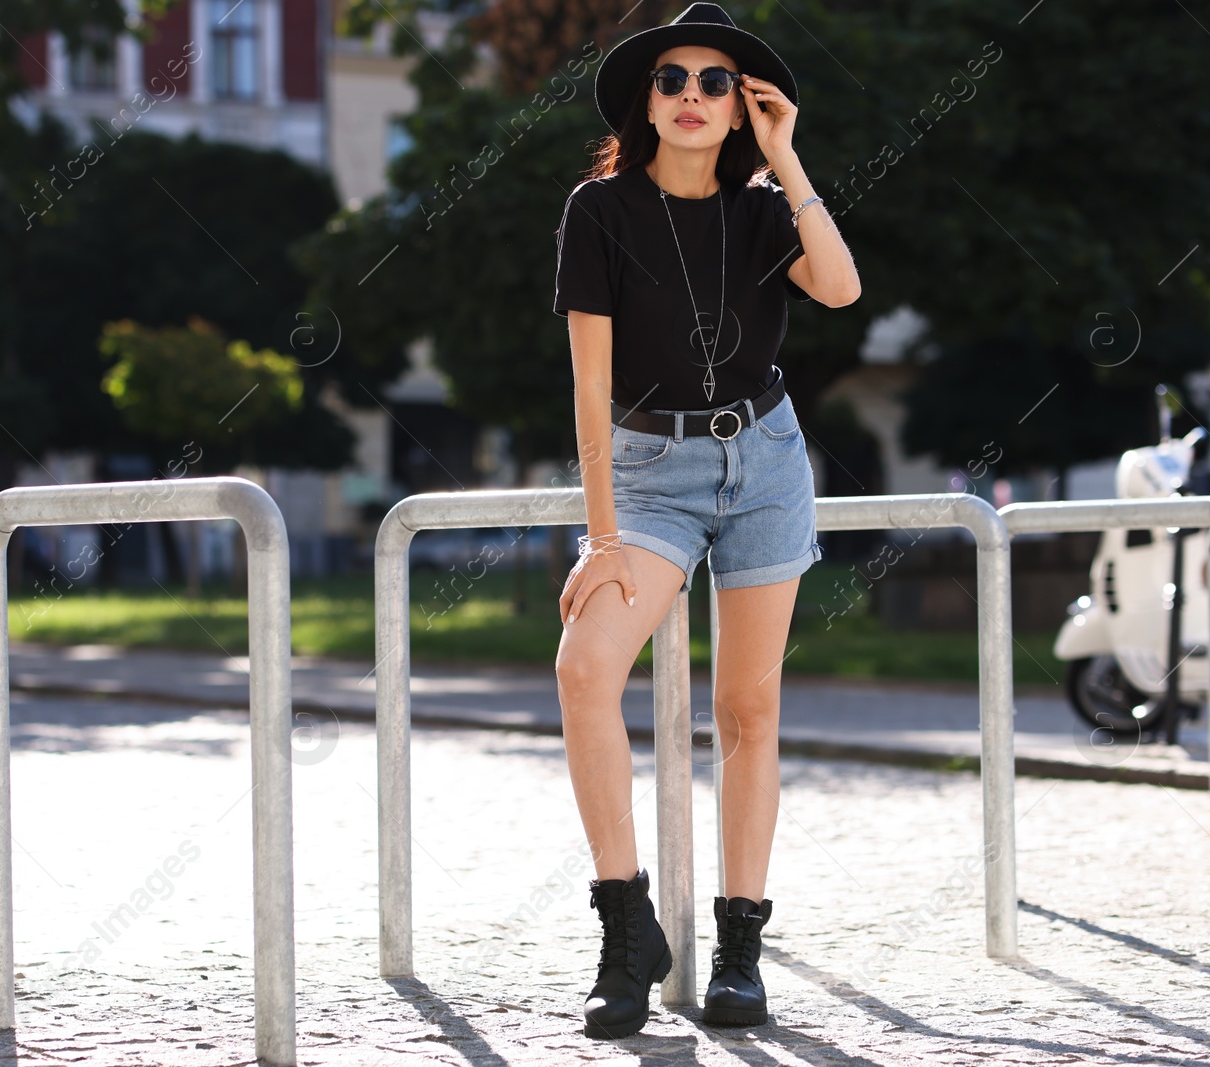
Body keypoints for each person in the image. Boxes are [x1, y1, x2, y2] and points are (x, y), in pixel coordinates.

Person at [551, 1, 861, 1039]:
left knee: (747, 711)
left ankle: (739, 945)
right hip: (646, 473)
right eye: (671, 79)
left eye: (714, 82)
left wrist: (788, 158)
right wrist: (600, 532)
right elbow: (588, 389)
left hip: (765, 459)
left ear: (744, 106)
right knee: (586, 665)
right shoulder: (597, 211)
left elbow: (842, 286)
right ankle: (624, 925)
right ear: (645, 100)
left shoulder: (769, 210)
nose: (691, 96)